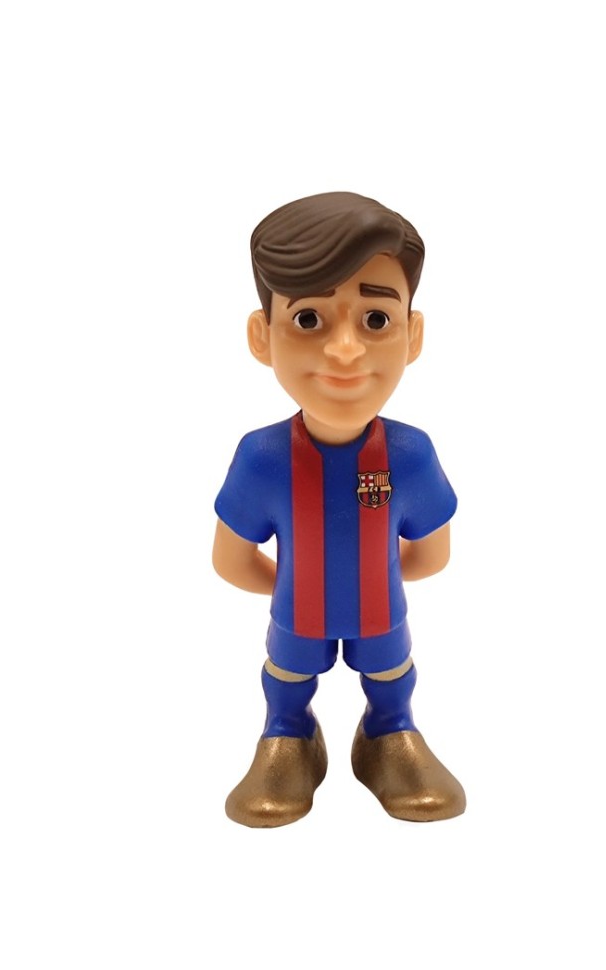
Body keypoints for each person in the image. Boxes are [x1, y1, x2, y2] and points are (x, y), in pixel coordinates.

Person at [213, 192, 465, 827]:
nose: (346, 350)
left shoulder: (410, 455)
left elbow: (434, 553)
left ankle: (389, 735)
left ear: (412, 335)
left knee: (391, 673)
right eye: (309, 320)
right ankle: (288, 738)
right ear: (261, 336)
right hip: (298, 615)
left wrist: (361, 581)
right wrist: (298, 589)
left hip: (380, 613)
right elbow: (229, 560)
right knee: (287, 678)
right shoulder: (262, 458)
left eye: (376, 320)